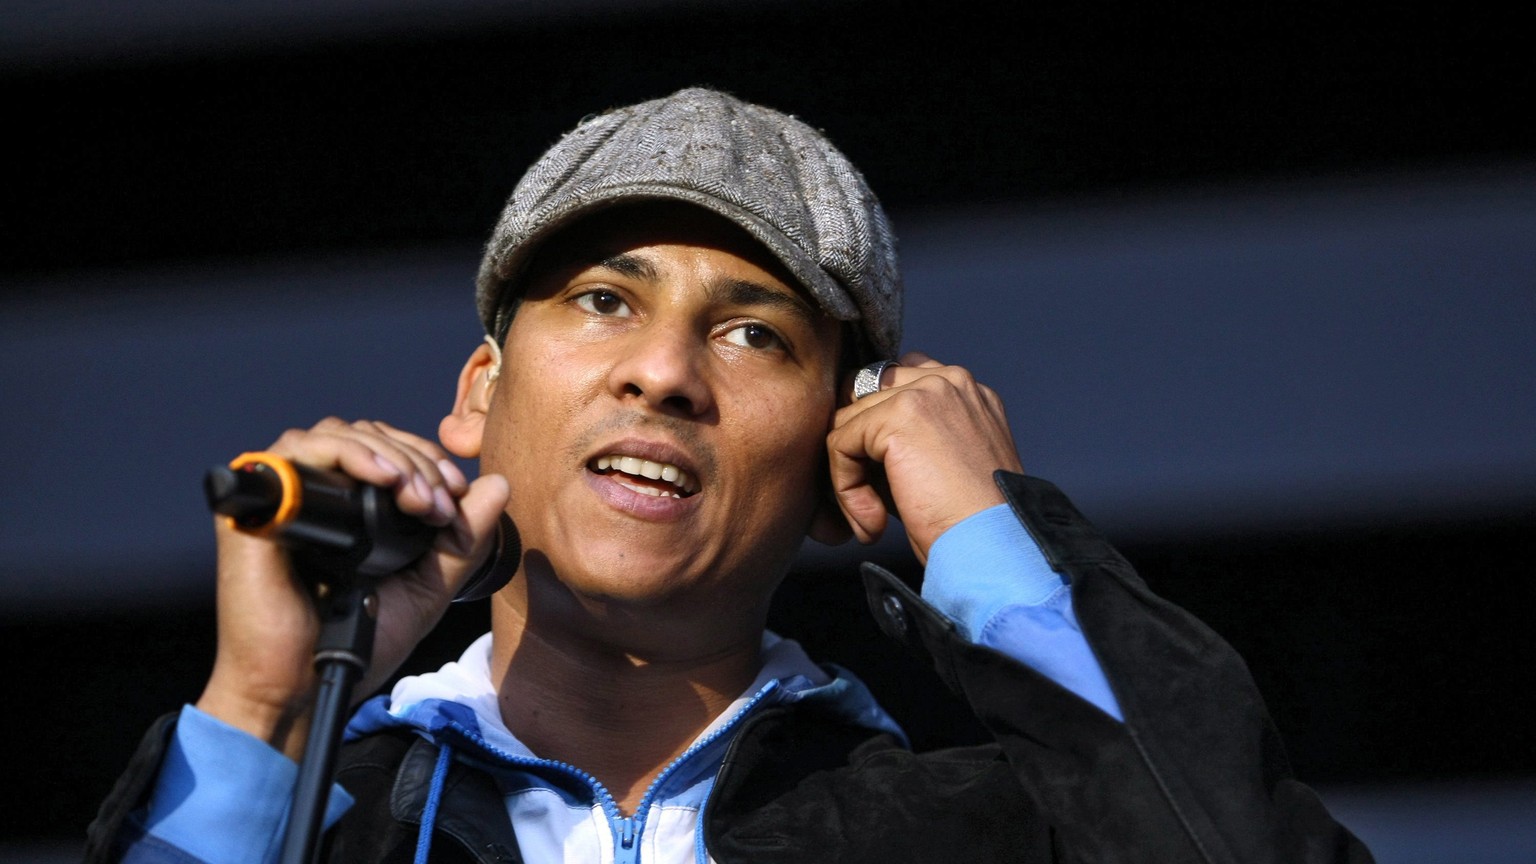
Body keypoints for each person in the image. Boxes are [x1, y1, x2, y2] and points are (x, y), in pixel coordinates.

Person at [87, 87, 1372, 863]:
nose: (663, 373)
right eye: (604, 300)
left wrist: (992, 536)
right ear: (481, 392)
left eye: (755, 334)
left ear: (844, 460)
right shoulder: (319, 821)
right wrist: (265, 711)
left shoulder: (987, 828)